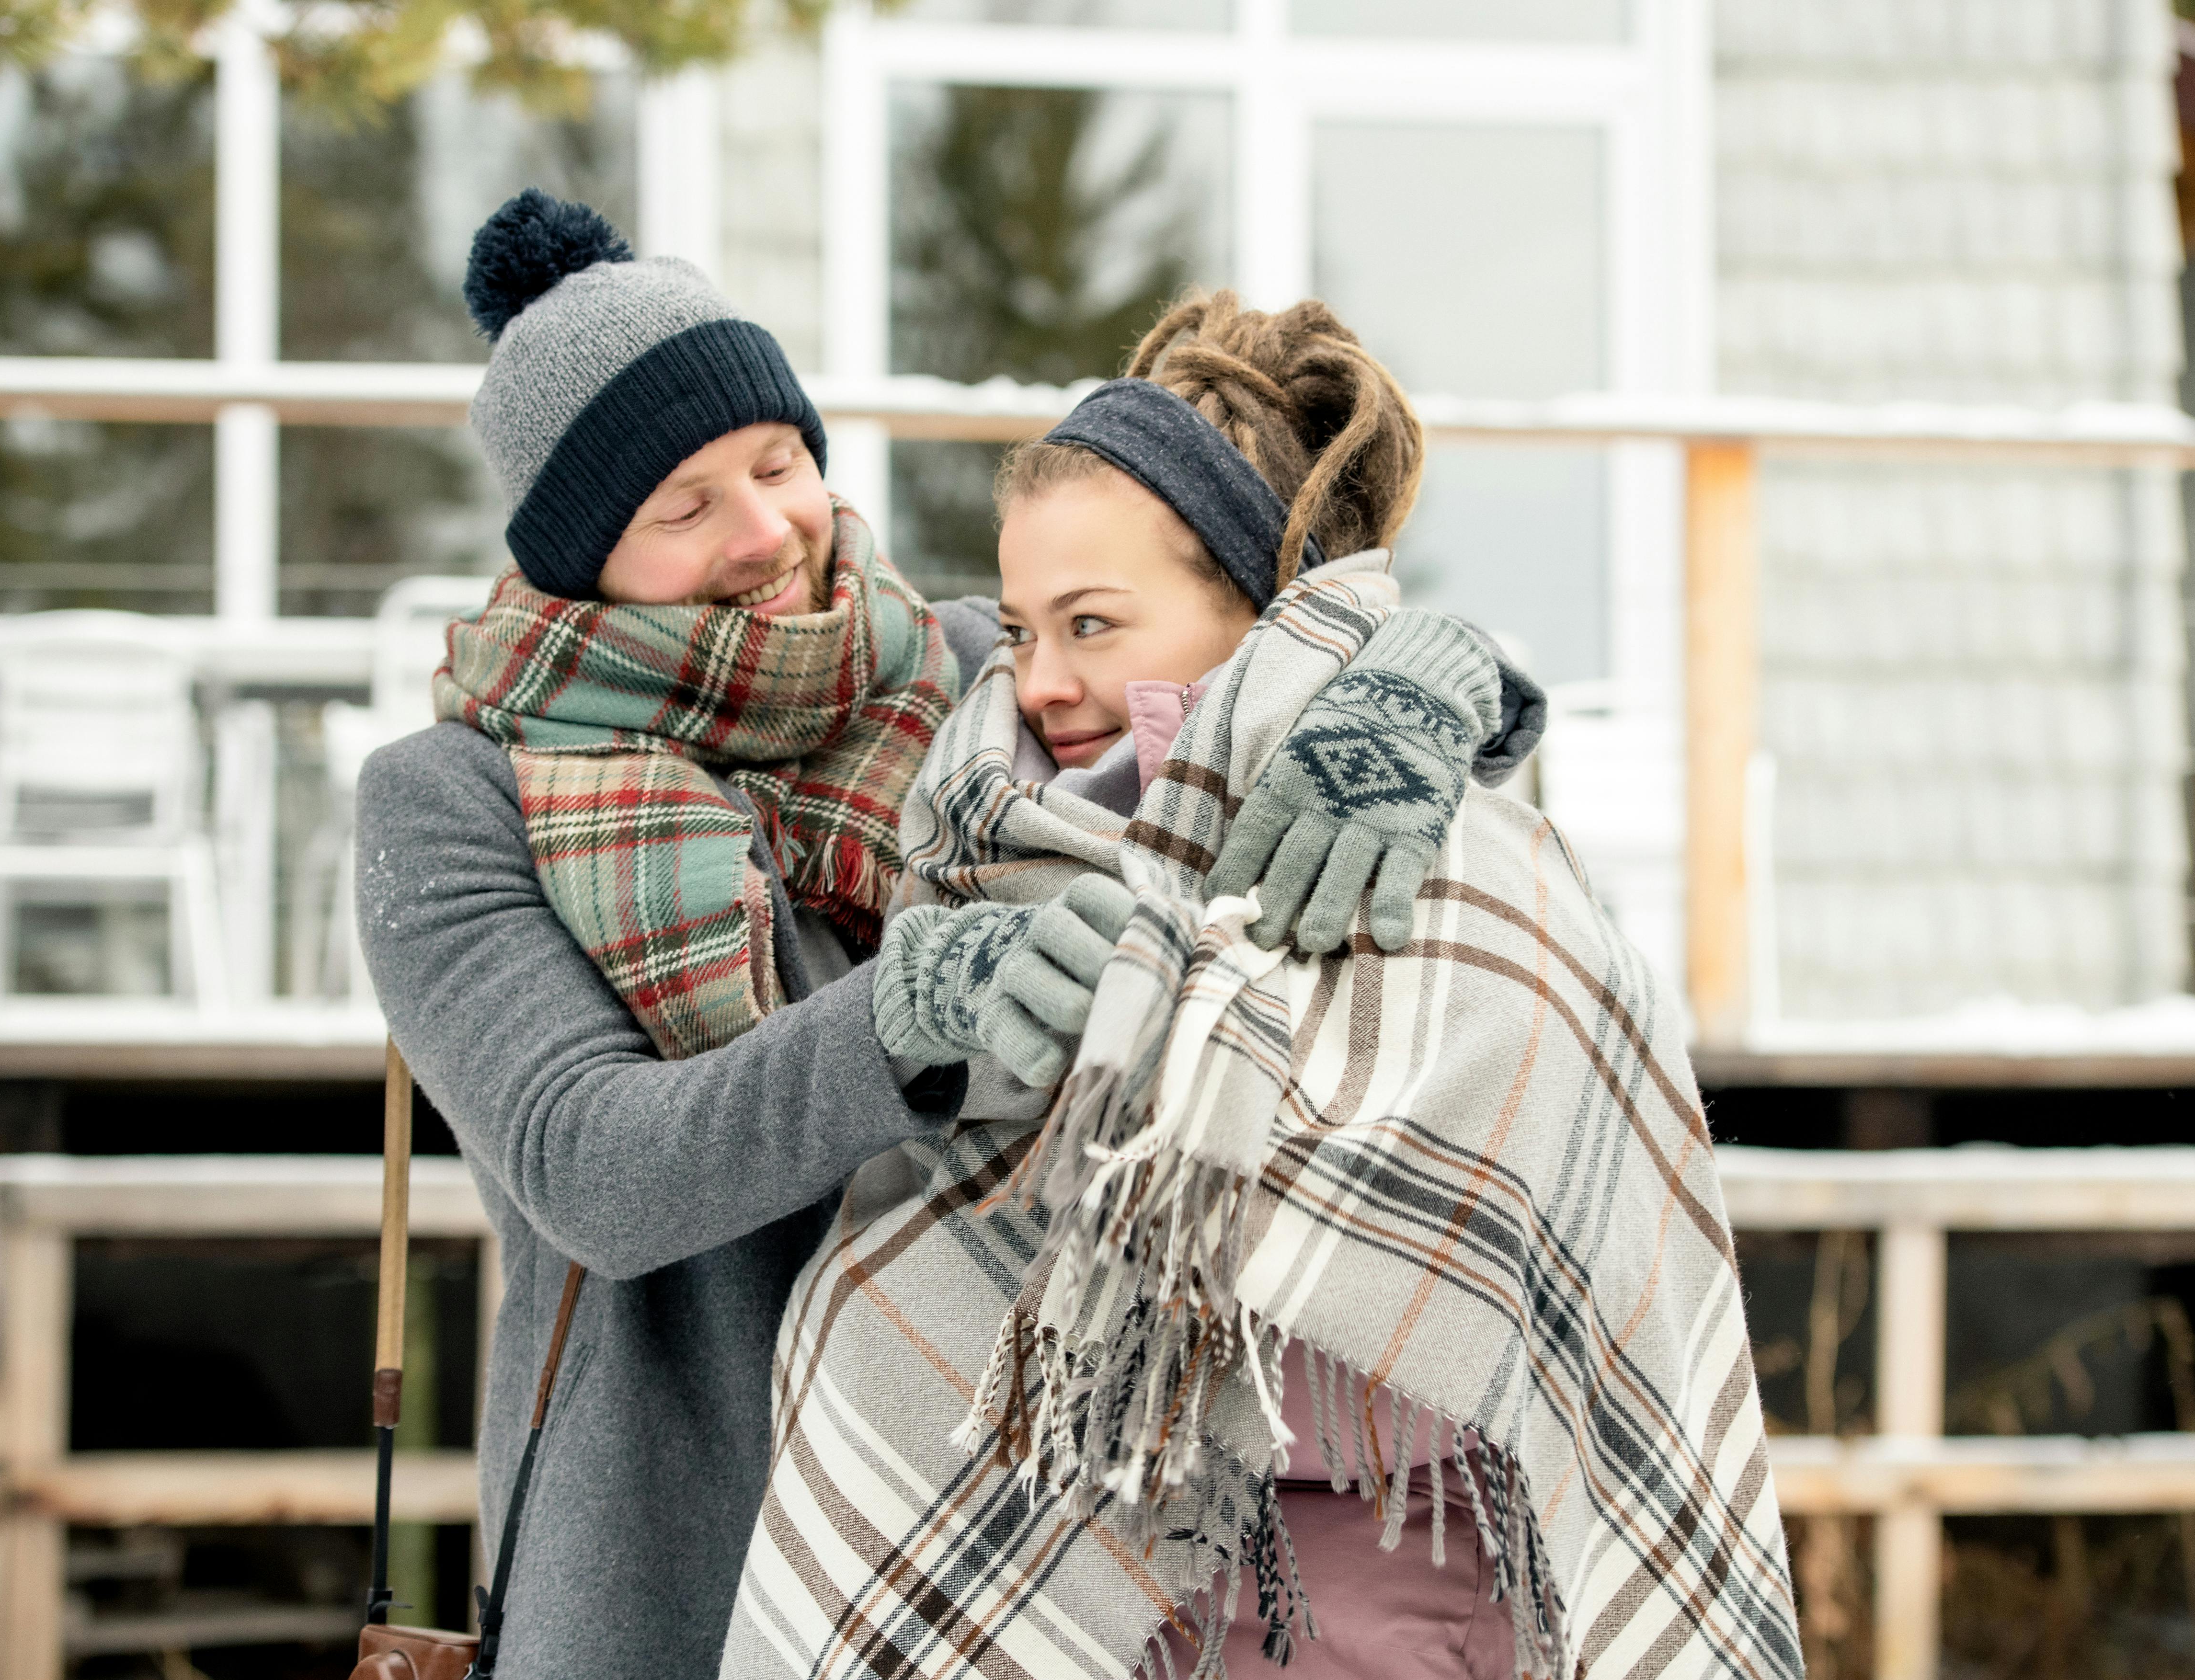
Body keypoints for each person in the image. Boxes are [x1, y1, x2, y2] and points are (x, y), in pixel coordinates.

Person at [356, 195, 1517, 1680]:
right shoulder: (454, 800)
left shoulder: (973, 669)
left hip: (1008, 1548)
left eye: (774, 465)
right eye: (684, 506)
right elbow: (593, 1167)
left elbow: (1241, 652)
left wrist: (1428, 678)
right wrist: (906, 1015)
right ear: (582, 551)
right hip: (683, 1561)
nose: (766, 529)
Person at [725, 294, 1800, 1680]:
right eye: (1020, 626)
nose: (1036, 679)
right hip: (1067, 1594)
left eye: (1093, 624)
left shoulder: (1464, 875)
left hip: (1385, 1602)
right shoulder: (986, 838)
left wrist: (1439, 663)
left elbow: (1508, 1301)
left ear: (1253, 609)